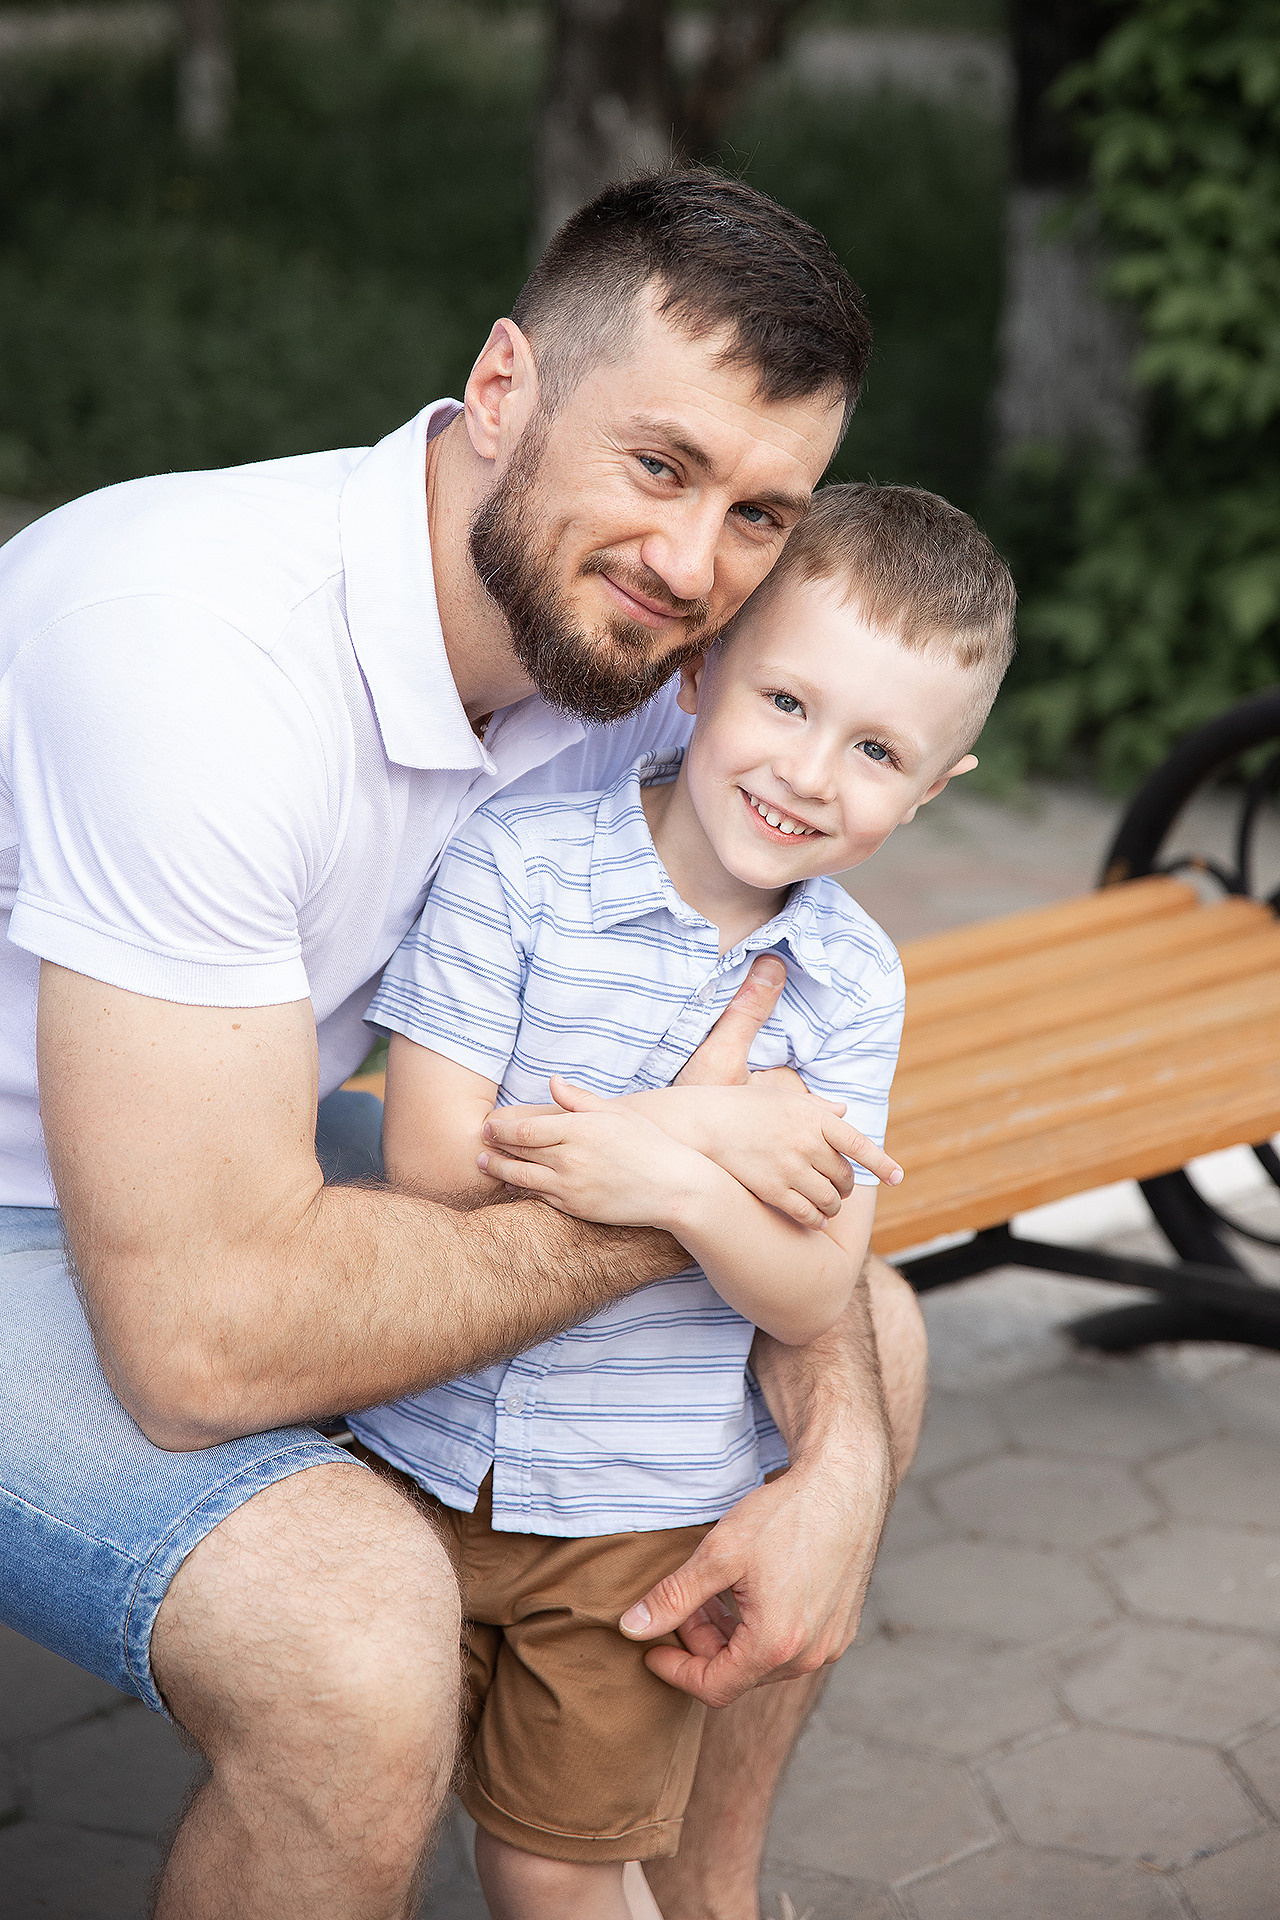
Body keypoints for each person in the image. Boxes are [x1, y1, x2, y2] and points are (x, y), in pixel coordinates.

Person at [0, 169, 929, 1920]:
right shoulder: (194, 656)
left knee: (861, 1329)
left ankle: (701, 1900)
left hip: (231, 1131)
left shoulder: (642, 670)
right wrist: (679, 1188)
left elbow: (780, 1154)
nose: (691, 567)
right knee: (357, 1637)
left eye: (758, 513)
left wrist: (846, 1471)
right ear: (501, 391)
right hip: (37, 1213)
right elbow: (198, 1342)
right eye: (660, 466)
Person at [351, 483, 1016, 1920]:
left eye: (879, 749)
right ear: (700, 671)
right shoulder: (519, 870)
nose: (812, 771)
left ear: (931, 793)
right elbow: (432, 1162)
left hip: (635, 1519)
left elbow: (805, 1287)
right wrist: (707, 1134)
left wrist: (667, 1185)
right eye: (785, 700)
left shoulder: (851, 987)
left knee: (556, 1866)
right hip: (406, 1470)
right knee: (364, 1825)